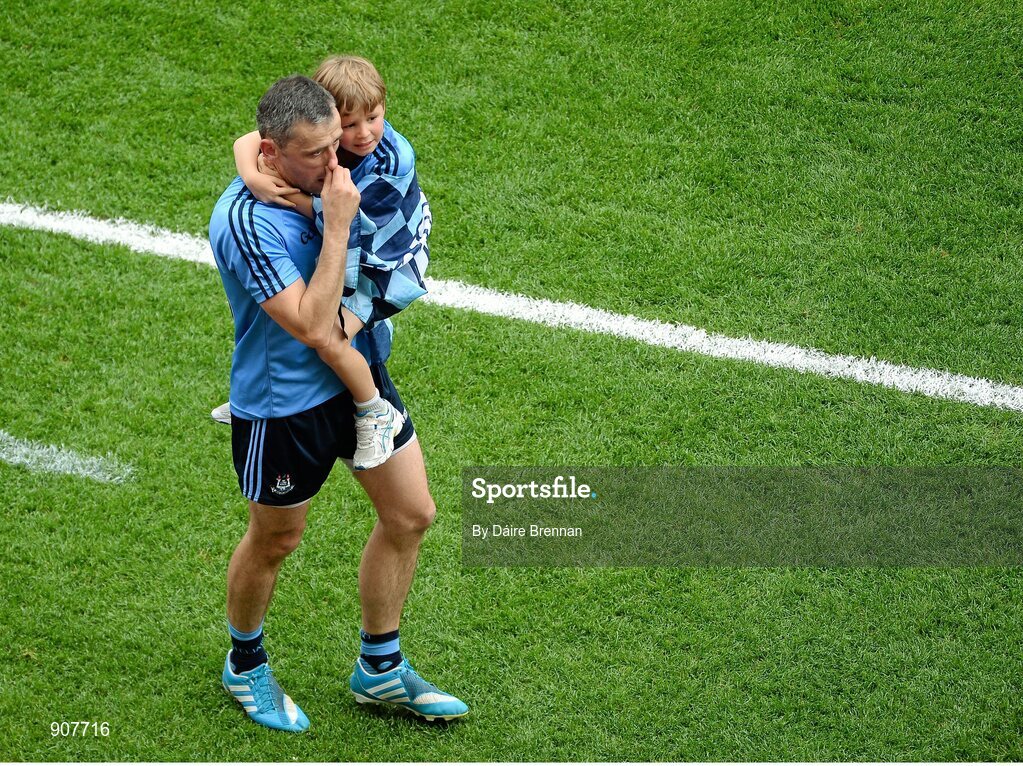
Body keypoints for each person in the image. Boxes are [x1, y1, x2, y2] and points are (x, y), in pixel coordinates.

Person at [208, 74, 468, 733]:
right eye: (317, 154)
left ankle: (379, 669)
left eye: (337, 145)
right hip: (284, 405)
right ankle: (244, 664)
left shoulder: (323, 164)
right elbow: (313, 325)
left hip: (361, 377)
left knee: (411, 515)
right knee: (276, 538)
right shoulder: (245, 222)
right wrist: (336, 226)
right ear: (271, 154)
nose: (338, 163)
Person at [212, 55, 432, 479]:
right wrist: (252, 174)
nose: (361, 134)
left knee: (330, 338)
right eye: (348, 126)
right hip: (357, 258)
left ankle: (373, 412)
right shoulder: (334, 144)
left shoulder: (390, 165)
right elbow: (252, 139)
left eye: (373, 118)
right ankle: (259, 405)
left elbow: (343, 218)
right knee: (279, 537)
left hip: (386, 268)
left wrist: (295, 199)